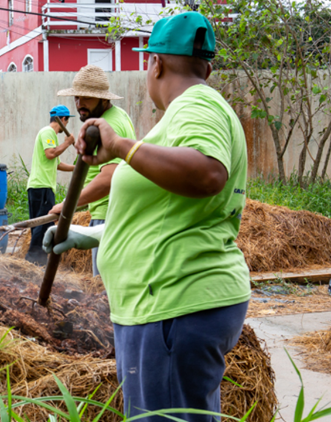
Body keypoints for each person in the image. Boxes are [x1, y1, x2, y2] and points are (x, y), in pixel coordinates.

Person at [43, 12, 251, 421]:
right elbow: (167, 214)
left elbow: (208, 173)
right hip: (167, 305)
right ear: (206, 65)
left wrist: (122, 147)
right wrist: (93, 235)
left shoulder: (196, 105)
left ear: (155, 63)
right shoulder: (180, 117)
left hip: (173, 304)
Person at [49, 65, 136, 277]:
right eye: (77, 98)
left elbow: (108, 179)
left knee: (103, 293)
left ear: (103, 99)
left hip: (109, 217)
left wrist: (66, 205)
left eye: (87, 98)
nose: (80, 104)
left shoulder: (109, 124)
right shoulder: (116, 116)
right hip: (110, 214)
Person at [24, 105, 76, 266]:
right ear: (62, 119)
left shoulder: (50, 136)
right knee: (43, 223)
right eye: (67, 121)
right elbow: (50, 154)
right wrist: (67, 143)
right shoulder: (48, 133)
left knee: (39, 223)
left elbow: (57, 163)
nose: (67, 126)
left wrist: (78, 168)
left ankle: (37, 261)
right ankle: (33, 260)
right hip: (42, 186)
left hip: (39, 186)